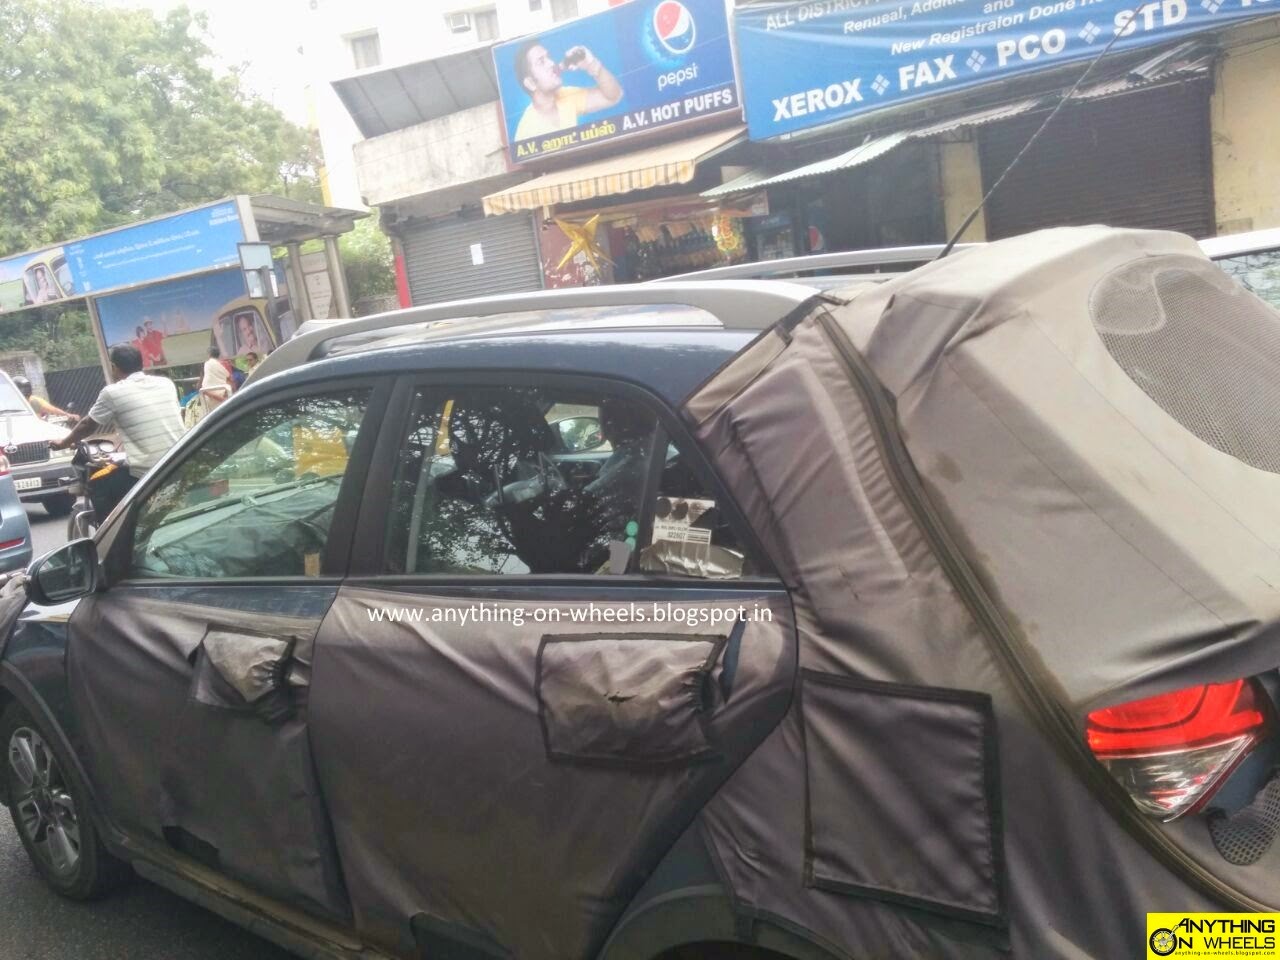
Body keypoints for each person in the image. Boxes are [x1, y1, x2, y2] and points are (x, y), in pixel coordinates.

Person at [50, 344, 185, 515]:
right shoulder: (165, 383)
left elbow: (87, 425)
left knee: (97, 482)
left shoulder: (112, 392)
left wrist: (63, 443)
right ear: (141, 363)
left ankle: (112, 529)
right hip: (179, 460)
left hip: (147, 470)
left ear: (114, 367)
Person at [512, 39, 623, 142]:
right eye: (541, 62)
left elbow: (612, 96)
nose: (551, 63)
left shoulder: (566, 96)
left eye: (548, 57)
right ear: (531, 83)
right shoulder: (526, 133)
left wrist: (592, 64)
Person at [200, 346, 232, 413]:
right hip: (224, 394)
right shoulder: (225, 364)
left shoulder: (207, 364)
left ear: (209, 355)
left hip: (210, 396)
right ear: (219, 354)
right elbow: (230, 379)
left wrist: (210, 394)